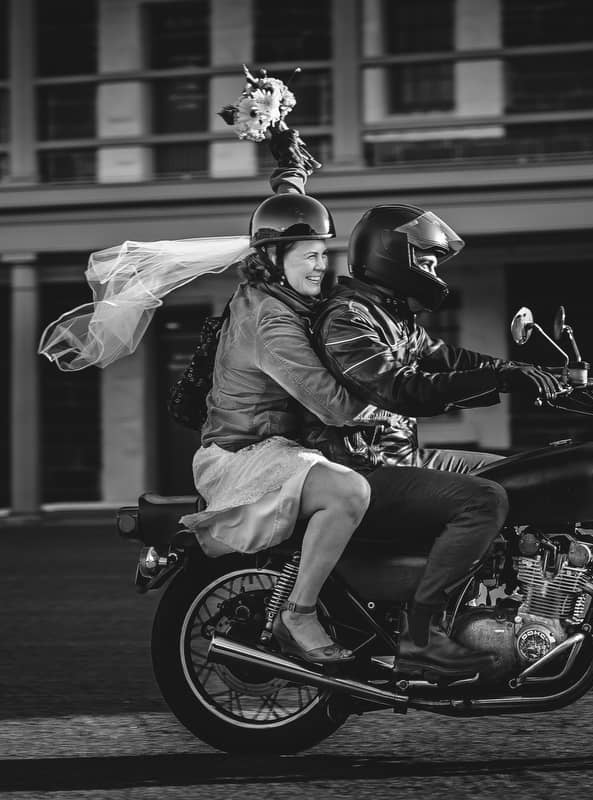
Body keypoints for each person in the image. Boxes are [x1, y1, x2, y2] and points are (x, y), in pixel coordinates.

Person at [304, 203, 564, 680]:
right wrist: (505, 381)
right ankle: (421, 636)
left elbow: (451, 358)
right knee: (483, 501)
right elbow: (402, 389)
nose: (431, 271)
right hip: (359, 471)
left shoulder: (393, 316)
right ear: (392, 256)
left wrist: (536, 373)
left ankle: (493, 600)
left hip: (399, 457)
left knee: (511, 475)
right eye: (424, 260)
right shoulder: (346, 319)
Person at [178, 128, 386, 666]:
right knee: (349, 494)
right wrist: (399, 397)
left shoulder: (270, 289)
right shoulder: (271, 323)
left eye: (323, 253)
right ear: (275, 258)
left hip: (272, 445)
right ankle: (298, 612)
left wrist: (291, 174)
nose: (322, 265)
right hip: (243, 457)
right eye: (310, 255)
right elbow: (334, 406)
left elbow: (282, 218)